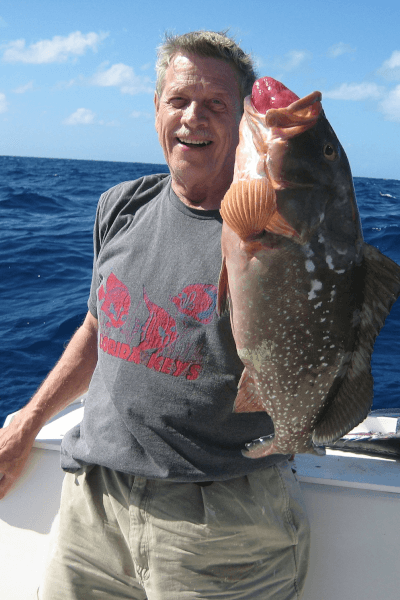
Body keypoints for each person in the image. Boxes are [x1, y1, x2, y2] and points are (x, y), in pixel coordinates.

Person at [0, 31, 310, 600]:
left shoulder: (275, 230)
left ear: (243, 120)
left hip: (218, 526)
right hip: (91, 509)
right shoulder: (121, 205)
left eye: (216, 104)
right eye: (179, 100)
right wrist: (29, 419)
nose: (194, 117)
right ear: (156, 109)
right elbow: (100, 329)